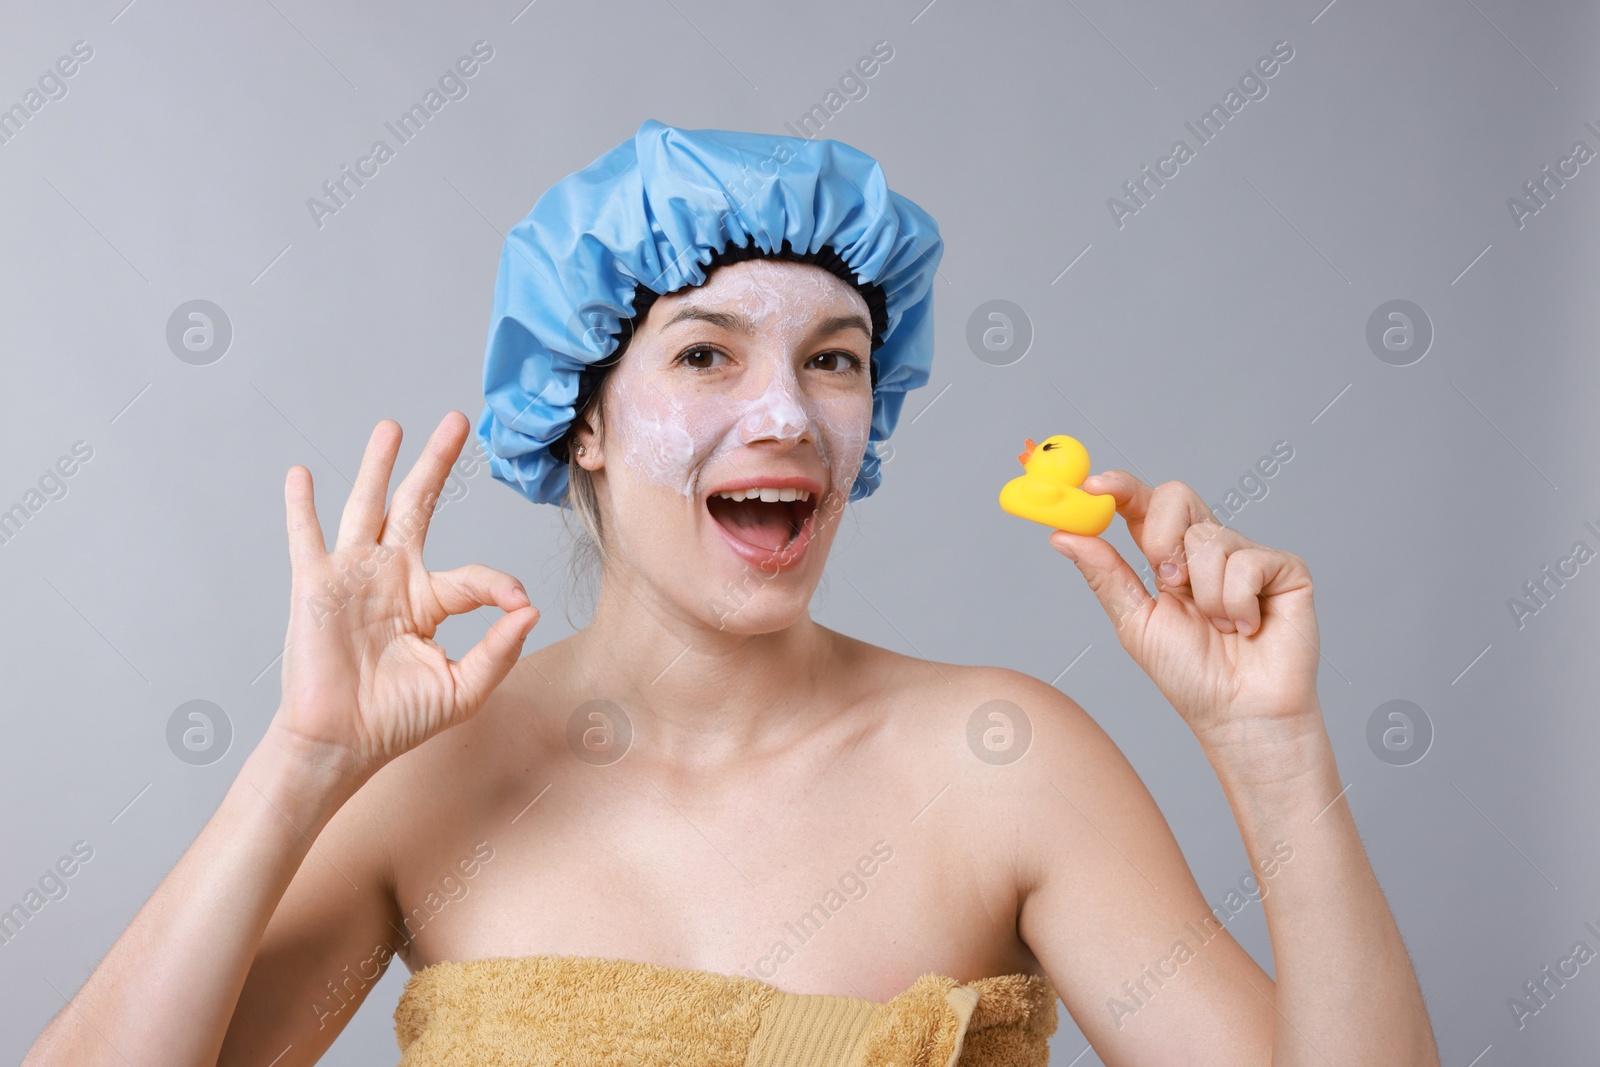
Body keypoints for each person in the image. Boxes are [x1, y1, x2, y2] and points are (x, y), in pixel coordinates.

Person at [25, 120, 1439, 1066]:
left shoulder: (1005, 763)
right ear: (581, 414)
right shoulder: (437, 779)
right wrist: (299, 767)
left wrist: (1272, 753)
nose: (788, 415)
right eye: (706, 356)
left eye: (833, 360)